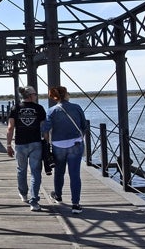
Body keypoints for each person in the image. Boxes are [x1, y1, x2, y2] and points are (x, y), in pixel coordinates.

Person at [42, 86, 87, 214]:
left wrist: (47, 143)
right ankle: (76, 204)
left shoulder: (51, 111)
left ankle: (58, 195)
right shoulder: (77, 107)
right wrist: (80, 138)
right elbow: (84, 125)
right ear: (66, 94)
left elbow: (45, 130)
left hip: (58, 145)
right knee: (74, 174)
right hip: (75, 144)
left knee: (59, 172)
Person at [6, 86, 46, 211]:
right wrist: (47, 143)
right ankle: (34, 201)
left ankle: (23, 194)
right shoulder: (39, 108)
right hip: (35, 143)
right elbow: (44, 128)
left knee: (21, 169)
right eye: (35, 94)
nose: (36, 96)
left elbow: (10, 128)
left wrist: (8, 145)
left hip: (20, 144)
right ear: (30, 96)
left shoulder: (15, 108)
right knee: (35, 171)